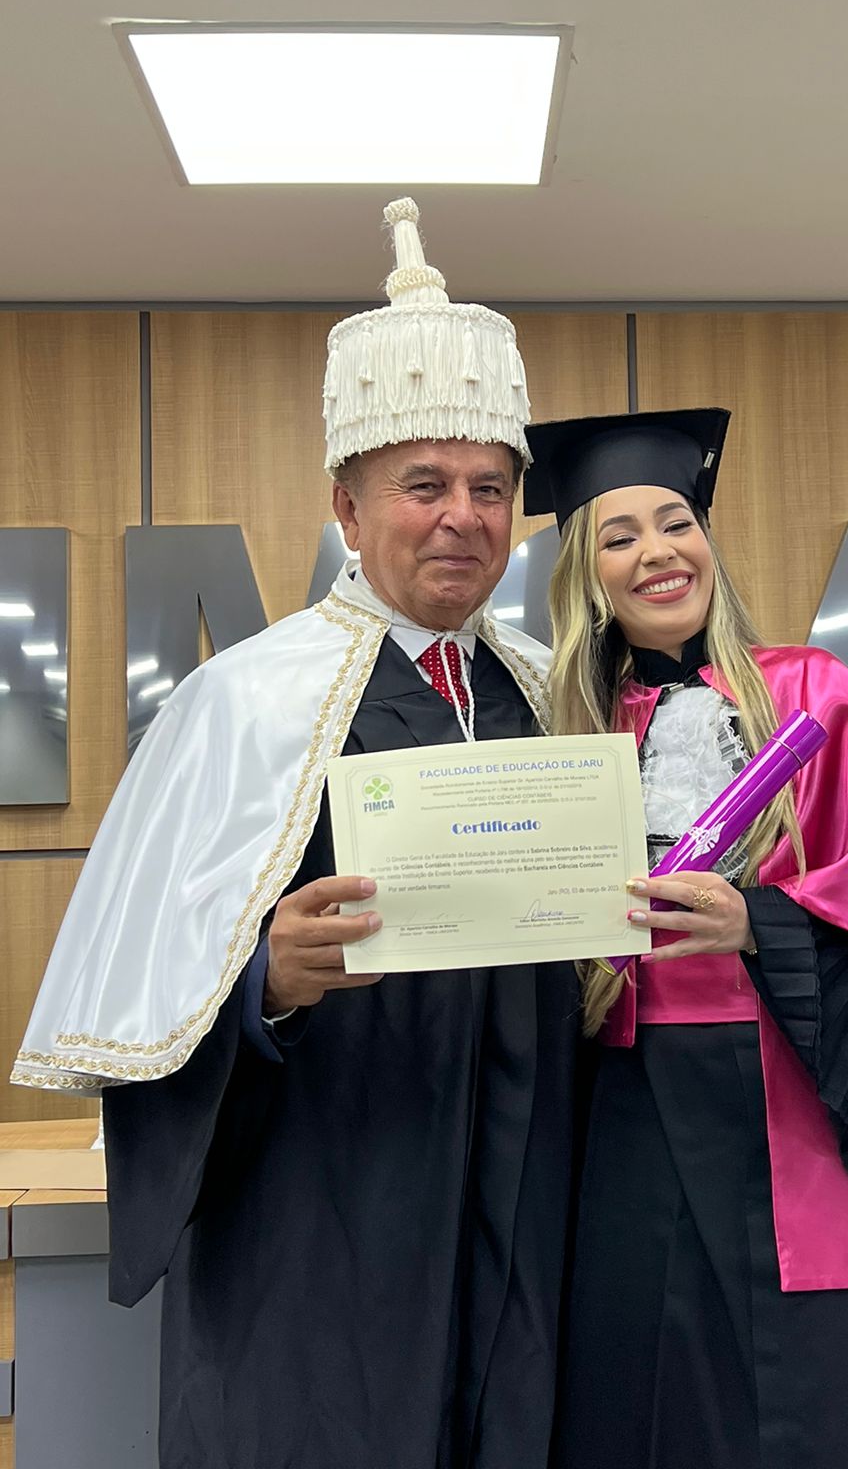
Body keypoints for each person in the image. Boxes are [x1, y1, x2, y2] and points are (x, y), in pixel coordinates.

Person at [13, 200, 578, 1469]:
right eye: (423, 485)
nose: (462, 516)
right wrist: (263, 980)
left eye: (490, 489)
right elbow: (151, 997)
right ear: (347, 504)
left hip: (526, 1194)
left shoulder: (554, 694)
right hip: (321, 1199)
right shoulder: (244, 701)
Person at [520, 408, 848, 1469]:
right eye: (620, 536)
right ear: (585, 575)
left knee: (808, 1392)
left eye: (677, 524)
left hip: (787, 1086)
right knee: (634, 1382)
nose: (658, 552)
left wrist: (759, 922)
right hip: (621, 1107)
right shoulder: (563, 731)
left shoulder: (813, 696)